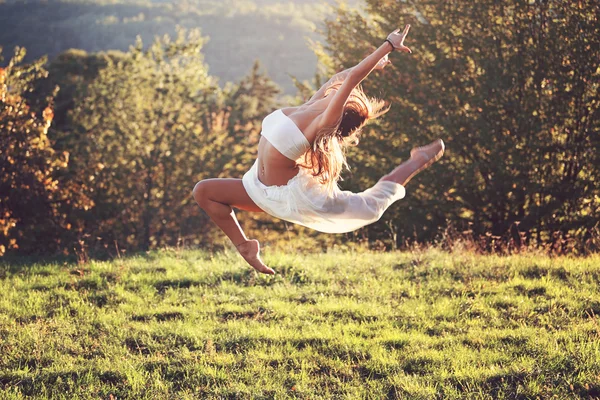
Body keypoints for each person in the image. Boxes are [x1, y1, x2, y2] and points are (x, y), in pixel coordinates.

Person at [193, 25, 444, 275]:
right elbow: (339, 79)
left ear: (339, 109)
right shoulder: (310, 106)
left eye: (343, 96)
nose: (339, 91)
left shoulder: (322, 122)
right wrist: (377, 63)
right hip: (261, 189)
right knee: (203, 191)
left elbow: (354, 76)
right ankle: (245, 247)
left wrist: (388, 44)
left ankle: (417, 160)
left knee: (371, 205)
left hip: (298, 199)